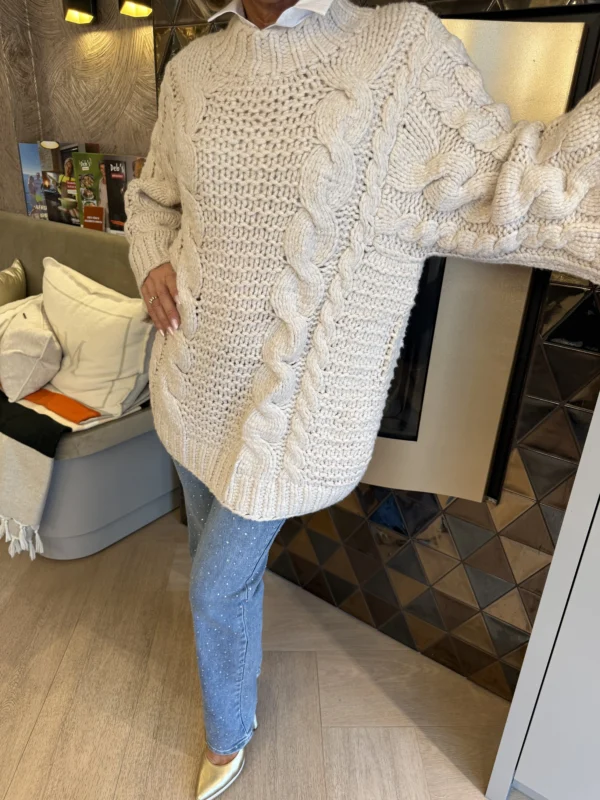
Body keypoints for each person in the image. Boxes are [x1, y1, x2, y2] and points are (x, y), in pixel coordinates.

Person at [124, 0, 600, 797]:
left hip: (282, 415)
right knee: (223, 576)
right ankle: (235, 691)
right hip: (190, 378)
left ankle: (227, 733)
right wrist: (150, 262)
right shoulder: (191, 71)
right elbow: (151, 199)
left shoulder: (394, 48)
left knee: (212, 585)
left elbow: (505, 187)